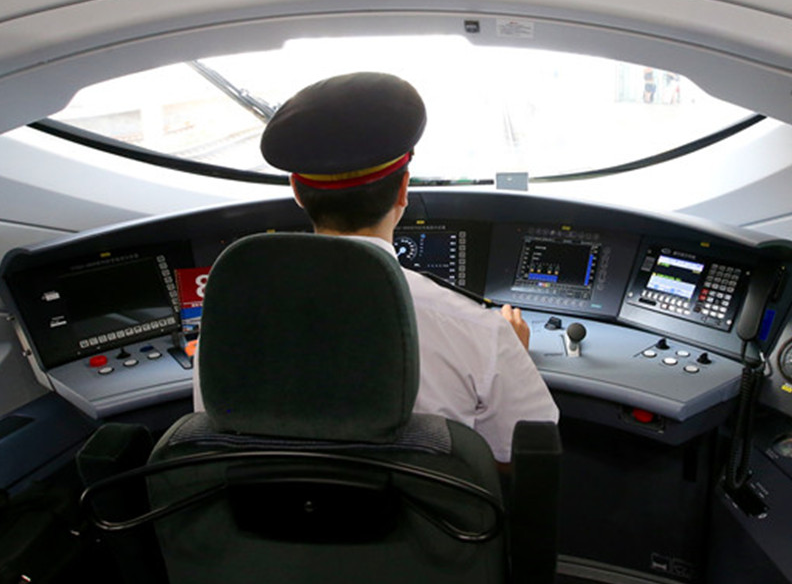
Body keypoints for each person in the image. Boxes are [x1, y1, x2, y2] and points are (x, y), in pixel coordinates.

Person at [192, 72, 557, 462]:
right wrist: (510, 356)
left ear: (296, 191)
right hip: (421, 504)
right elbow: (523, 460)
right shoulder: (480, 332)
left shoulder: (228, 327)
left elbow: (219, 443)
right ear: (403, 189)